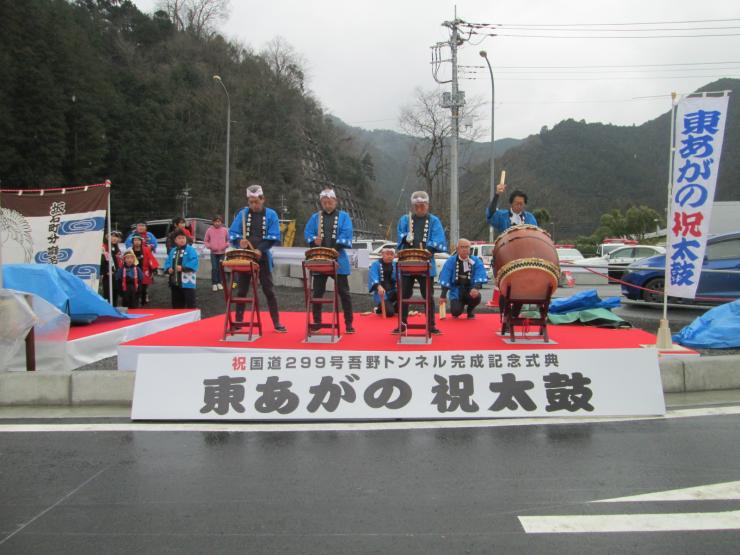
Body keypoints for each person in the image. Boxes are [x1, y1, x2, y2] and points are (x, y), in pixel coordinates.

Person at [229, 184, 287, 333]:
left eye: (256, 201)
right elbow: (233, 232)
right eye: (251, 202)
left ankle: (276, 322)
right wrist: (238, 242)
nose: (254, 205)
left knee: (268, 290)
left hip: (262, 257)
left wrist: (260, 249)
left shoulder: (271, 214)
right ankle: (238, 320)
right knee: (242, 290)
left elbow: (274, 235)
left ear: (263, 199)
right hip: (245, 257)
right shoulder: (242, 214)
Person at [304, 187, 355, 334]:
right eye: (324, 202)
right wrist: (314, 240)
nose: (327, 205)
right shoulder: (315, 217)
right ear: (321, 202)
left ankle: (349, 323)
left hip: (338, 257)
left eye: (330, 202)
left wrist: (333, 248)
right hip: (320, 259)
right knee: (318, 292)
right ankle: (317, 322)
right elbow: (307, 233)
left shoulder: (344, 216)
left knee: (344, 292)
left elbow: (347, 233)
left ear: (335, 201)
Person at [395, 190, 447, 334]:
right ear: (412, 206)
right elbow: (399, 235)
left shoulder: (434, 220)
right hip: (408, 262)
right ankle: (402, 323)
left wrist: (428, 249)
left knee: (428, 296)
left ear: (427, 205)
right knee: (404, 295)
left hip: (425, 262)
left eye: (422, 206)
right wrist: (405, 237)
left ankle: (431, 324)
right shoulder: (405, 219)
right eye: (416, 206)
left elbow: (438, 238)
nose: (419, 208)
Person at [439, 238, 489, 319]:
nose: (465, 249)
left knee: (477, 297)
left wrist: (476, 287)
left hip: (470, 289)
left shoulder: (476, 260)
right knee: (455, 312)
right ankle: (459, 306)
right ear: (457, 249)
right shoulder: (451, 260)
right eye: (462, 247)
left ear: (470, 249)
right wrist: (443, 295)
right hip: (456, 291)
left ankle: (470, 310)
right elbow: (446, 276)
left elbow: (480, 273)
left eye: (467, 247)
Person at [164, 229, 199, 309]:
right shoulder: (173, 250)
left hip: (188, 281)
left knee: (190, 302)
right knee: (177, 303)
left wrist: (183, 268)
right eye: (179, 238)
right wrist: (168, 268)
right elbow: (168, 261)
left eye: (183, 238)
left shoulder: (190, 249)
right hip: (175, 281)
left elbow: (194, 260)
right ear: (175, 240)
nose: (182, 240)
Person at [368, 247, 398, 317]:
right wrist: (378, 287)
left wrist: (398, 283)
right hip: (382, 292)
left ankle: (392, 307)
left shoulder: (395, 265)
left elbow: (399, 276)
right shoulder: (375, 264)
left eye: (392, 254)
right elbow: (373, 277)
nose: (390, 256)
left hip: (393, 290)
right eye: (387, 254)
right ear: (382, 254)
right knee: (390, 313)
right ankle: (379, 308)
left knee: (404, 294)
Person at [131, 235, 159, 305]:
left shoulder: (146, 249)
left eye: (138, 240)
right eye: (135, 240)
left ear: (141, 242)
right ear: (132, 242)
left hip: (144, 270)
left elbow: (151, 259)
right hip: (133, 271)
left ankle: (143, 300)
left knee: (143, 288)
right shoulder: (130, 250)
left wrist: (154, 268)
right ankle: (135, 301)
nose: (137, 242)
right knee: (134, 287)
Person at [204, 215, 229, 292]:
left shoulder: (225, 230)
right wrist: (210, 246)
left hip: (222, 252)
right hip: (213, 253)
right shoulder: (209, 230)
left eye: (219, 221)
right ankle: (214, 283)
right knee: (214, 268)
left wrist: (224, 246)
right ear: (213, 222)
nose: (217, 223)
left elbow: (228, 240)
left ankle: (219, 282)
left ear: (221, 222)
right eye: (216, 221)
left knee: (220, 268)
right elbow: (206, 241)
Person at [100, 230, 123, 305]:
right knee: (108, 293)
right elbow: (102, 261)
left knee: (115, 292)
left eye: (116, 237)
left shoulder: (116, 248)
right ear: (107, 237)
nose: (114, 238)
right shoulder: (104, 246)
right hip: (107, 274)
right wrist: (106, 271)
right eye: (112, 236)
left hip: (116, 273)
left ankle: (114, 308)